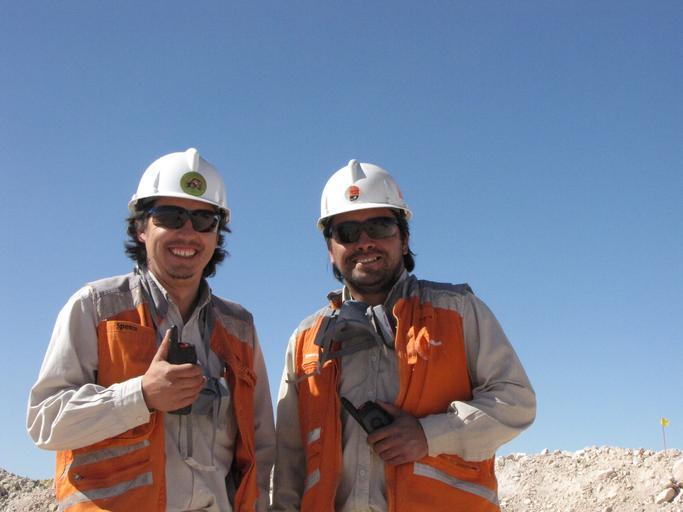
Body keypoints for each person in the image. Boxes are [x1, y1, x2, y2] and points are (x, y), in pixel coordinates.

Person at [271, 160, 536, 512]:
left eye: (379, 226)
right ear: (331, 250)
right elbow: (289, 459)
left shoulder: (459, 311)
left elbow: (516, 401)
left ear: (405, 238)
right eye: (347, 232)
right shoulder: (307, 339)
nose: (365, 242)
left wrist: (430, 435)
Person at [27, 148, 275, 512]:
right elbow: (45, 421)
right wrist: (140, 396)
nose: (187, 233)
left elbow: (262, 446)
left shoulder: (239, 328)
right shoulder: (95, 307)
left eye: (204, 220)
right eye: (170, 216)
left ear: (217, 235)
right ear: (141, 228)